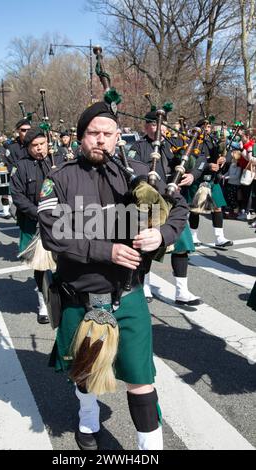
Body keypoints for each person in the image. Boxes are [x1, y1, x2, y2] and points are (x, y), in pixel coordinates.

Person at [38, 101, 189, 450]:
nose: (101, 140)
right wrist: (106, 251)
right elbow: (52, 233)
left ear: (118, 136)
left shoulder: (138, 174)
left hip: (128, 295)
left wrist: (162, 234)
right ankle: (88, 420)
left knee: (141, 378)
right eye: (93, 133)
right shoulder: (59, 179)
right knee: (85, 372)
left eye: (108, 134)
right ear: (80, 138)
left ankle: (149, 448)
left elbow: (177, 205)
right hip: (80, 298)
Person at [129, 111, 204, 305]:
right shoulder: (138, 147)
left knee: (181, 247)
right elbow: (132, 170)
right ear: (146, 127)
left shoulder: (176, 145)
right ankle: (144, 285)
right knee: (145, 246)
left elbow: (197, 160)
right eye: (154, 124)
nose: (159, 127)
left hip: (174, 202)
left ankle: (182, 291)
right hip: (150, 203)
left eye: (162, 124)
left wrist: (192, 175)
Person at [10, 128, 54, 324]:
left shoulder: (56, 161)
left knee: (65, 260)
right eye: (34, 146)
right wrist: (38, 213)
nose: (39, 149)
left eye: (42, 144)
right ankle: (43, 303)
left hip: (59, 220)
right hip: (33, 221)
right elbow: (17, 196)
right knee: (41, 265)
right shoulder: (20, 167)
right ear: (28, 147)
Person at [188, 118, 233, 248]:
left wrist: (225, 159)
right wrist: (208, 165)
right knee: (195, 209)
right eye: (204, 126)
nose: (207, 128)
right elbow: (192, 160)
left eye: (208, 126)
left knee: (217, 207)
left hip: (213, 179)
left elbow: (229, 154)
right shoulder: (194, 142)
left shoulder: (214, 140)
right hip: (199, 178)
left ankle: (220, 238)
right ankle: (193, 236)